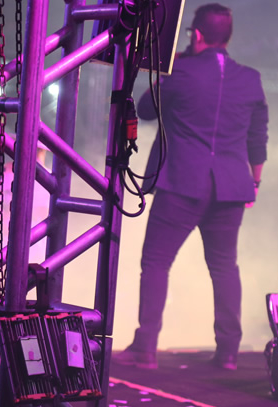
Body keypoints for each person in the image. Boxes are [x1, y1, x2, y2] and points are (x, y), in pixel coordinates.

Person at [114, 4, 268, 371]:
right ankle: (228, 352)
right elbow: (257, 137)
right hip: (231, 187)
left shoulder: (180, 71)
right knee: (224, 267)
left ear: (196, 34)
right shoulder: (250, 79)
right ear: (227, 38)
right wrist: (254, 181)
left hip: (182, 183)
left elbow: (146, 110)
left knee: (156, 262)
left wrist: (169, 70)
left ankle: (145, 347)